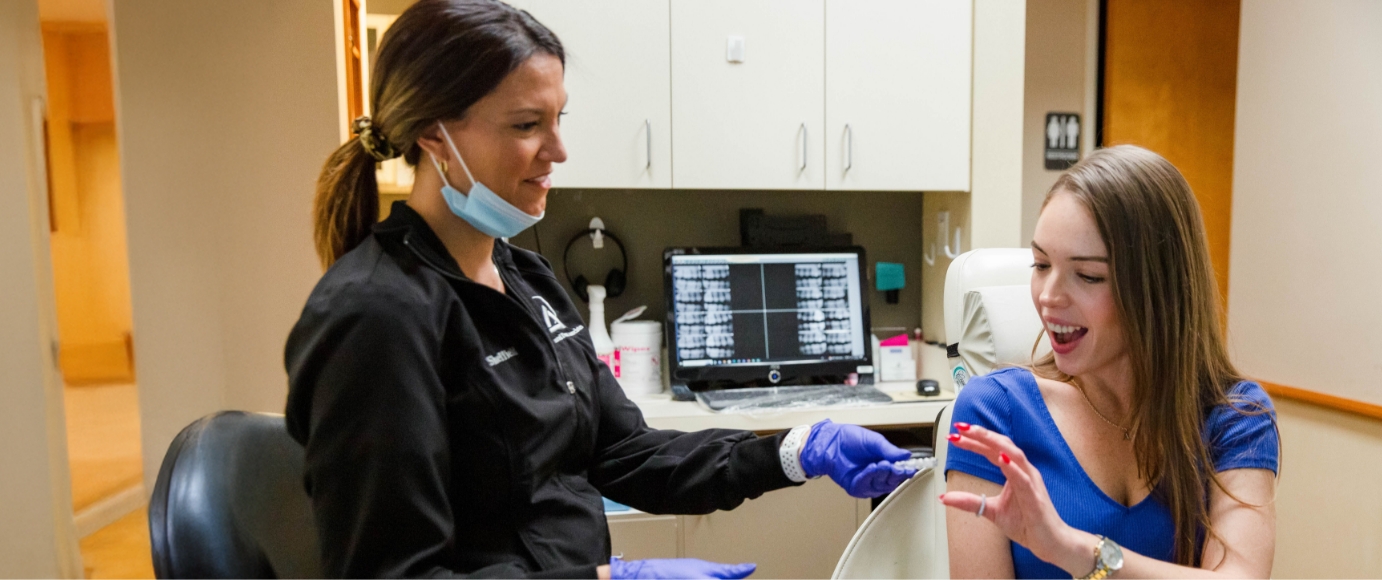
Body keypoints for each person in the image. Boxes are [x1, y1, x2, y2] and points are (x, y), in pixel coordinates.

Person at [283, 1, 915, 578]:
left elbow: (627, 455)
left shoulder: (523, 276)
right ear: (434, 135)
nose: (558, 150)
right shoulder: (376, 316)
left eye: (559, 119)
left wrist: (795, 453)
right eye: (528, 124)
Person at [940, 145, 1280, 579]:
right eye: (1041, 264)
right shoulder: (994, 410)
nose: (1048, 297)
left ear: (1158, 289)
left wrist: (1072, 549)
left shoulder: (1235, 416)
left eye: (1088, 276)